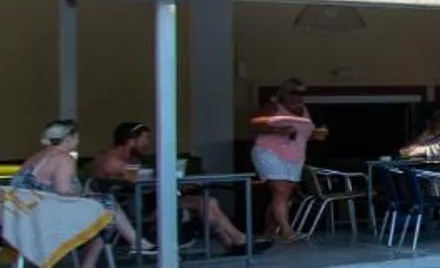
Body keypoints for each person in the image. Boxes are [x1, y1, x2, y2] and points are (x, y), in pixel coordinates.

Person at [11, 121, 145, 268]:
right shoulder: (63, 158)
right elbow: (63, 190)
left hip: (22, 221)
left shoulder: (34, 159)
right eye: (76, 138)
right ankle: (89, 267)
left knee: (103, 205)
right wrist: (82, 194)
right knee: (107, 208)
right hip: (47, 223)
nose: (78, 141)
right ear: (68, 139)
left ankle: (136, 241)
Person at [91, 122, 252, 252]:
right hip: (131, 205)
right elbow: (135, 182)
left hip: (151, 199)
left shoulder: (132, 158)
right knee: (205, 204)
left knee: (209, 202)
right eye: (145, 139)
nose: (147, 143)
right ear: (131, 139)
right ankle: (235, 240)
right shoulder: (110, 160)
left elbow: (147, 182)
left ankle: (233, 240)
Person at [250, 81, 322, 242]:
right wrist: (278, 130)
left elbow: (305, 134)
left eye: (301, 93)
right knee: (280, 191)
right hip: (270, 152)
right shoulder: (273, 107)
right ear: (283, 93)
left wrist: (315, 134)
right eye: (293, 92)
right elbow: (254, 124)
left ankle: (269, 233)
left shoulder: (304, 110)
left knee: (284, 196)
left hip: (295, 156)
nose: (297, 96)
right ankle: (287, 231)